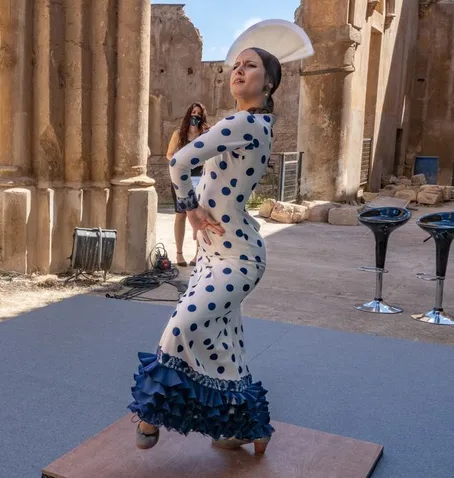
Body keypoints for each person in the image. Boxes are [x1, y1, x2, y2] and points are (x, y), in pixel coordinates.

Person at [129, 46, 284, 455]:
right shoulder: (254, 123)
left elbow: (178, 162)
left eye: (250, 66)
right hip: (215, 255)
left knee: (182, 326)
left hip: (237, 257)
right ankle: (247, 428)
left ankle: (150, 414)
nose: (239, 71)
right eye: (236, 65)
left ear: (269, 82)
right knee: (223, 346)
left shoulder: (244, 122)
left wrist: (191, 209)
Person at [168, 103, 211, 266]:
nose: (196, 116)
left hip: (200, 178)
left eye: (199, 113)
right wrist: (181, 161)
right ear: (188, 114)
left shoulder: (206, 134)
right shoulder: (178, 134)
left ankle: (198, 254)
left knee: (199, 215)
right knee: (181, 215)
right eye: (193, 112)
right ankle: (179, 254)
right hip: (181, 179)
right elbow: (169, 154)